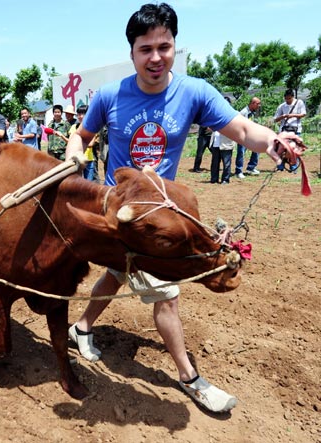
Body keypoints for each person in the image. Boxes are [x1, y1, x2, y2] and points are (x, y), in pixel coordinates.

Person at [65, 3, 300, 414]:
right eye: (145, 49)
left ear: (175, 46)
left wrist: (272, 142)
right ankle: (189, 377)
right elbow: (80, 134)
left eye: (164, 46)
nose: (155, 57)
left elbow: (242, 129)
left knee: (119, 274)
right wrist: (73, 153)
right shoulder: (109, 95)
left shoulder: (194, 92)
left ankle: (81, 326)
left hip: (164, 213)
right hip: (119, 215)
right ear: (132, 52)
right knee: (167, 294)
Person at [234, 97, 262, 178]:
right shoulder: (243, 112)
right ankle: (238, 171)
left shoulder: (253, 112)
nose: (259, 106)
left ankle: (251, 167)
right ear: (252, 103)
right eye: (258, 104)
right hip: (242, 136)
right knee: (241, 153)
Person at [69, 105, 97, 180]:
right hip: (76, 160)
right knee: (77, 184)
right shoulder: (73, 127)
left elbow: (91, 144)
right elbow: (70, 142)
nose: (80, 116)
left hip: (88, 160)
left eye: (82, 114)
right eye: (78, 114)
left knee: (88, 183)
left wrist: (76, 143)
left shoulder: (93, 127)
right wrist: (62, 136)